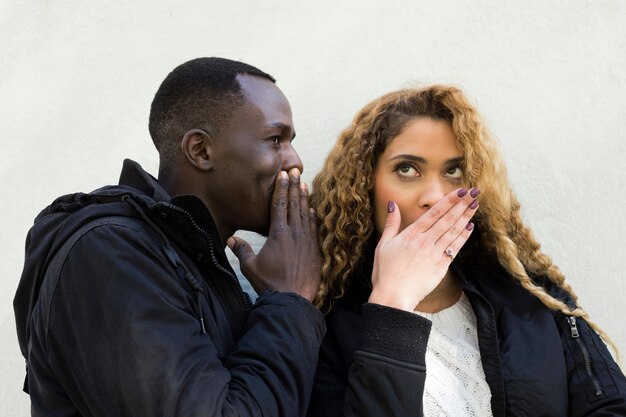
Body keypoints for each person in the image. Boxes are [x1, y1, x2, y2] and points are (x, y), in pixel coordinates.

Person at [14, 57, 325, 417]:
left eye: (291, 142)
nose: (295, 161)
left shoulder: (193, 261)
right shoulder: (108, 253)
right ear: (200, 150)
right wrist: (289, 300)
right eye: (275, 140)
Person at [306, 85, 626, 416]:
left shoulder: (532, 294)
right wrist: (392, 304)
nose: (435, 196)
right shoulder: (323, 325)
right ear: (365, 184)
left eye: (453, 171)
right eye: (407, 169)